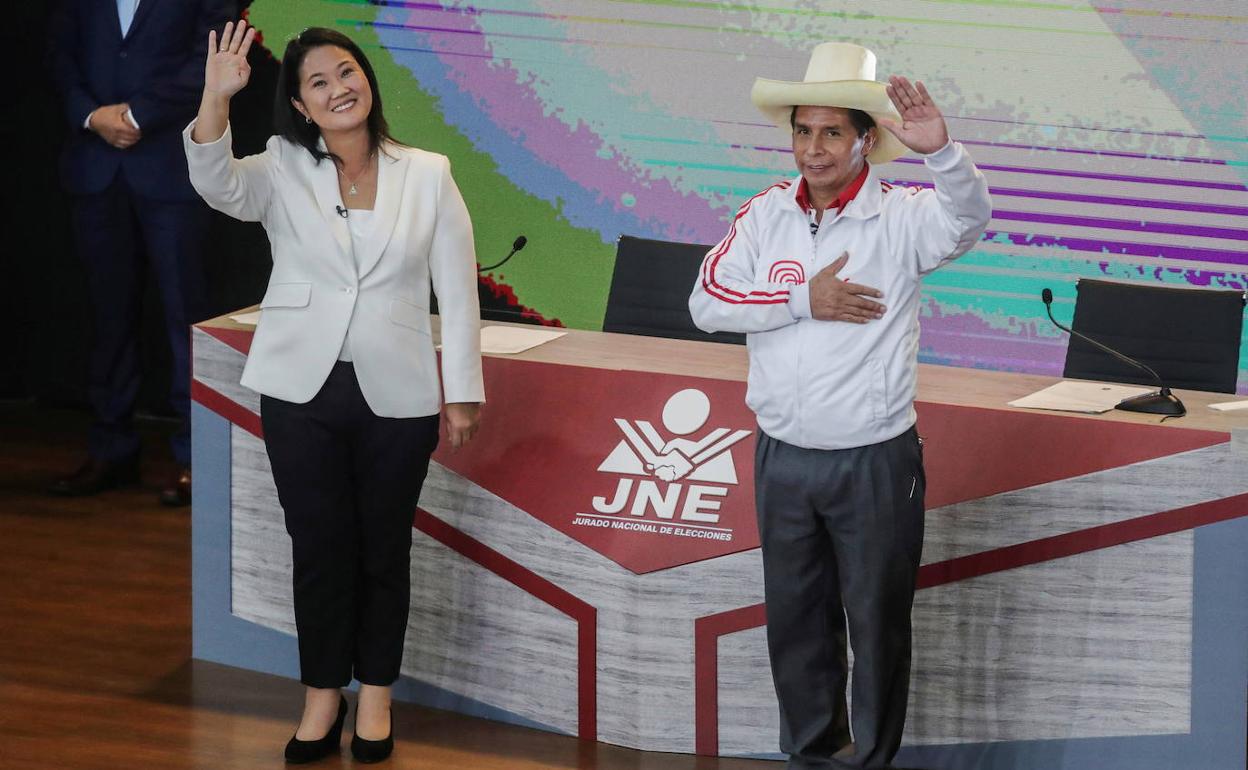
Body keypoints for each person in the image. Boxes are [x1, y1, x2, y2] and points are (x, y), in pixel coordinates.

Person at [184, 20, 484, 764]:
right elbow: (216, 184)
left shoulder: (428, 172)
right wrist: (216, 99)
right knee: (318, 548)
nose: (338, 89)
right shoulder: (282, 165)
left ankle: (376, 695)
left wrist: (462, 390)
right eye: (317, 82)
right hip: (299, 388)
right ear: (301, 105)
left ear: (367, 81)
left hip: (399, 391)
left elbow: (457, 290)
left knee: (384, 549)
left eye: (347, 72)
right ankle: (322, 695)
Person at [689, 42, 992, 769]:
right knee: (796, 623)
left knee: (877, 626)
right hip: (783, 458)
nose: (813, 148)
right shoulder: (765, 212)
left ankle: (871, 761)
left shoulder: (903, 217)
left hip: (874, 460)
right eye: (802, 131)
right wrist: (804, 300)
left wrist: (943, 153)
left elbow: (968, 220)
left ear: (865, 140)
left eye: (831, 132)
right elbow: (708, 301)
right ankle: (813, 757)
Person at [48, 0, 235, 506]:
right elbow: (60, 52)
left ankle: (197, 458)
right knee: (107, 319)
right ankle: (111, 448)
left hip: (171, 164)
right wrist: (90, 115)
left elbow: (210, 53)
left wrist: (137, 114)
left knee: (186, 319)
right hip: (95, 165)